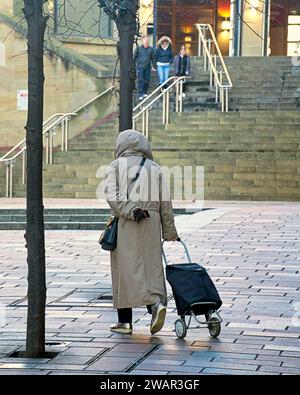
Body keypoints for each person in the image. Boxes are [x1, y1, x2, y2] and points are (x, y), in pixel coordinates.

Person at [104, 129, 178, 335]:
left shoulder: (116, 166)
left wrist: (129, 210)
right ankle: (155, 305)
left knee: (124, 271)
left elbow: (111, 194)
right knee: (151, 267)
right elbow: (166, 203)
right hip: (151, 223)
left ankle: (125, 322)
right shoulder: (154, 168)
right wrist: (170, 232)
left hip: (127, 222)